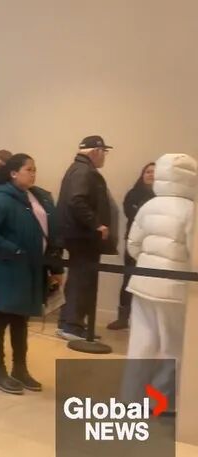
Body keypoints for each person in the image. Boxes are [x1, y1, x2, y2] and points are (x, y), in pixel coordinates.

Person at [0, 153, 64, 395]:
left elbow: (50, 233)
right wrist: (13, 250)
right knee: (1, 317)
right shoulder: (2, 199)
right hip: (9, 268)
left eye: (35, 169)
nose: (33, 174)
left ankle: (20, 368)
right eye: (29, 169)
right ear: (14, 173)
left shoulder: (37, 196)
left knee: (20, 319)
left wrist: (55, 267)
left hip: (32, 268)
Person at [124, 153, 196, 409]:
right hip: (175, 289)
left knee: (140, 344)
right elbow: (194, 254)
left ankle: (130, 400)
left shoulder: (149, 206)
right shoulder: (191, 210)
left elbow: (133, 246)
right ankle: (158, 403)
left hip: (143, 283)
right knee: (173, 347)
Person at [56, 135, 118, 341]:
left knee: (78, 279)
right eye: (104, 152)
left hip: (77, 235)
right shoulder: (84, 171)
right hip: (83, 236)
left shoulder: (77, 169)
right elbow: (77, 200)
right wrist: (96, 224)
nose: (105, 156)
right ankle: (72, 326)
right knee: (82, 281)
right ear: (95, 151)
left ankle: (69, 323)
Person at [108, 163, 155, 331]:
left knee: (151, 282)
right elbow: (132, 215)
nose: (151, 175)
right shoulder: (133, 194)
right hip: (133, 243)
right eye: (148, 171)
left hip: (154, 247)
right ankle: (123, 318)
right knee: (128, 279)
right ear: (142, 174)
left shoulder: (163, 197)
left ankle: (147, 322)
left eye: (155, 172)